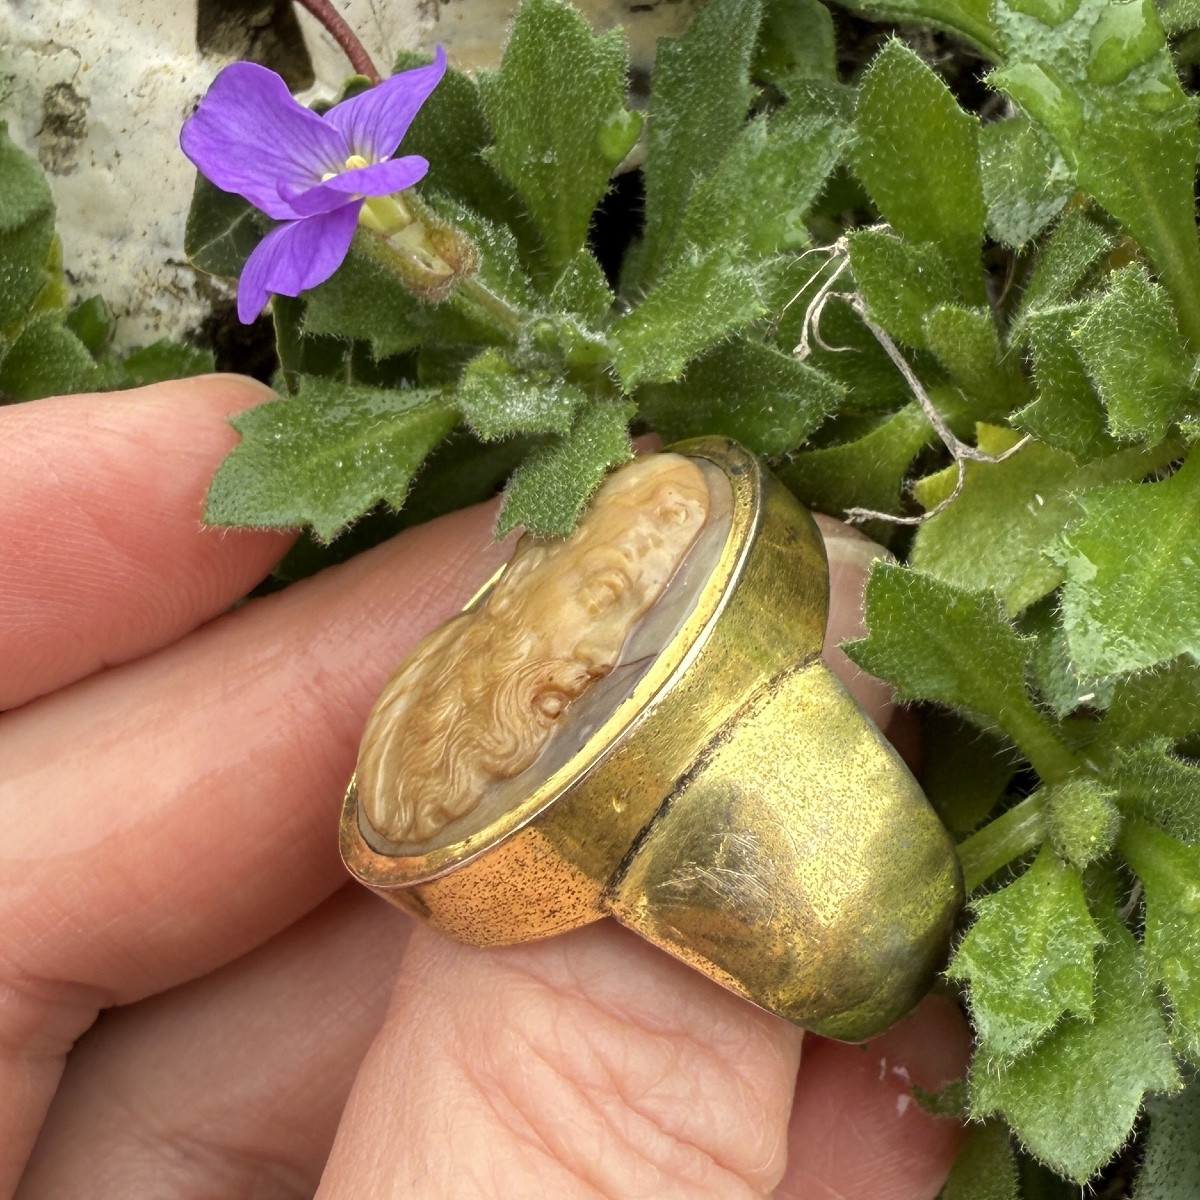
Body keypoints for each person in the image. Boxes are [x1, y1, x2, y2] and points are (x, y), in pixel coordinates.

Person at [1, 375, 970, 1198]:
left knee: (889, 952)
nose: (583, 622)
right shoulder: (471, 746)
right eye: (599, 603)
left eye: (598, 600)